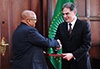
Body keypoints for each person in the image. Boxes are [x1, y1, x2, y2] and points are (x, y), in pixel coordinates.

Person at [54, 2, 92, 69]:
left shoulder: (84, 25)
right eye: (63, 14)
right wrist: (56, 45)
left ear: (74, 12)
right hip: (66, 64)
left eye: (67, 13)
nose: (64, 16)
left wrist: (73, 55)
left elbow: (87, 44)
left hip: (81, 63)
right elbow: (56, 40)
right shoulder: (61, 26)